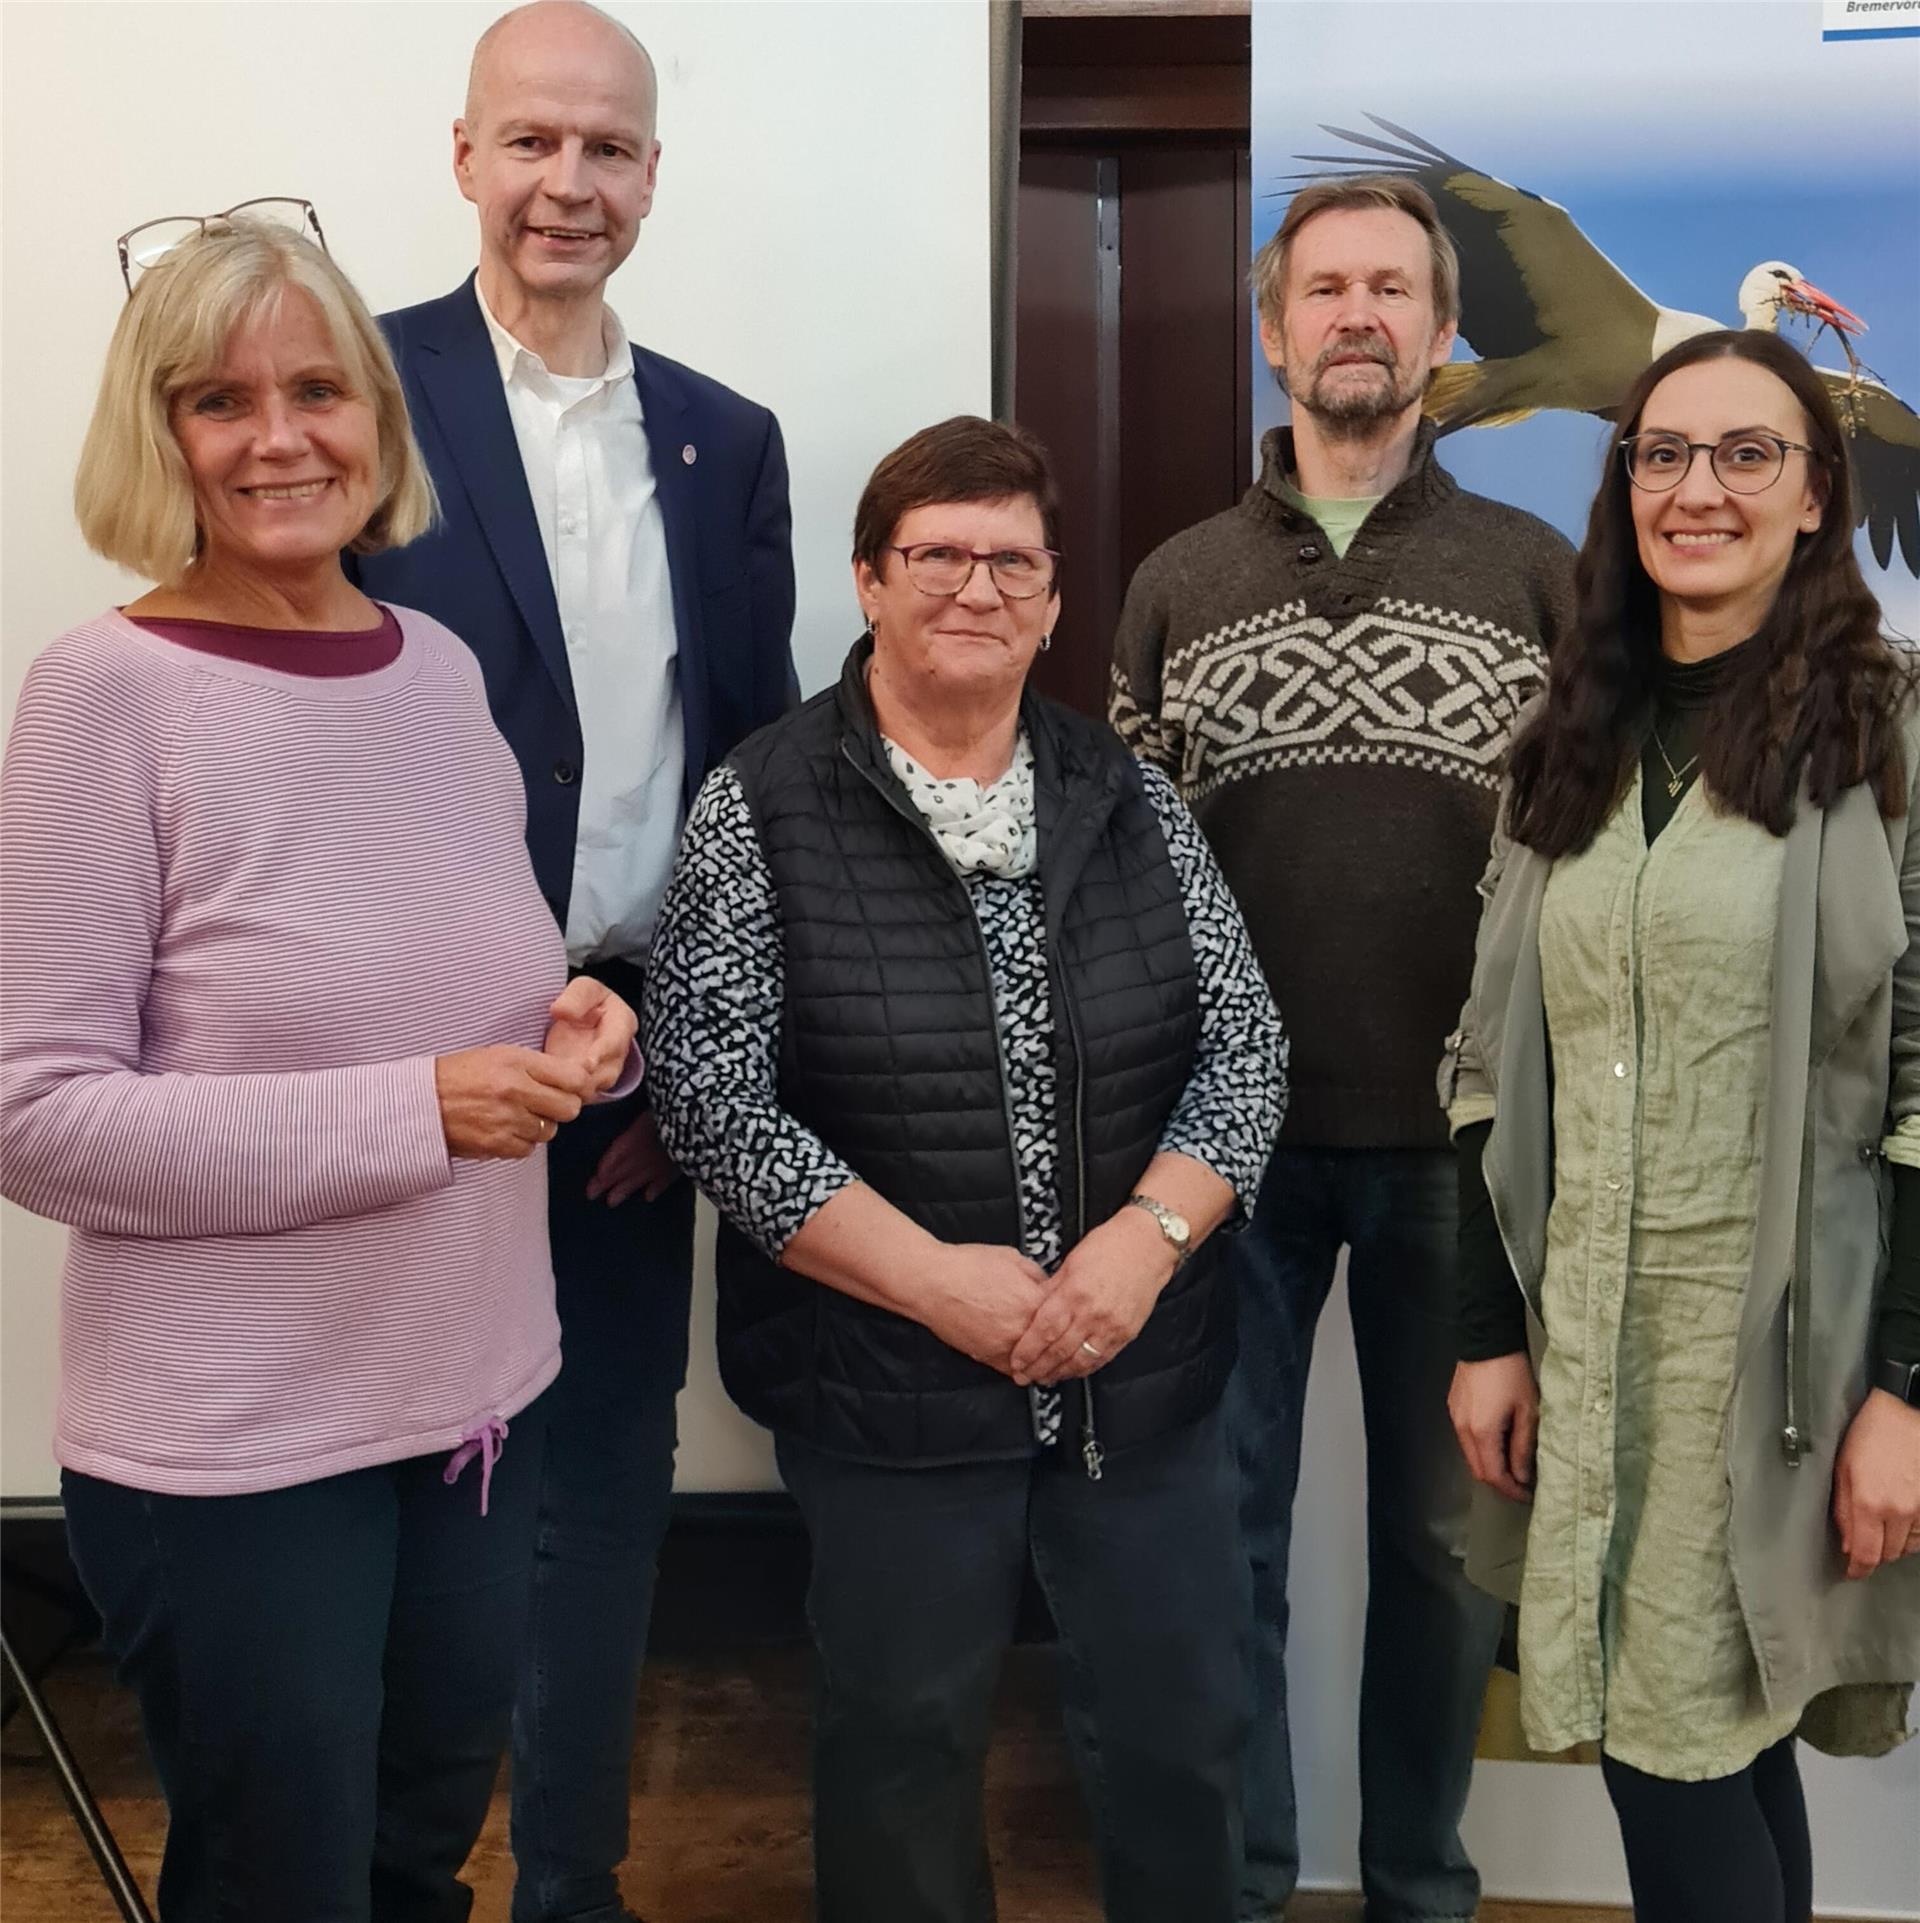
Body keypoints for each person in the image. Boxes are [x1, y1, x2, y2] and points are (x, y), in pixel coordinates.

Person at [0, 214, 637, 1921]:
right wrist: (417, 1110)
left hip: (474, 1409)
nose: (280, 438)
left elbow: (450, 972)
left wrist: (569, 1018)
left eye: (317, 390)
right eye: (220, 401)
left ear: (380, 413)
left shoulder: (432, 673)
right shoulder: (100, 698)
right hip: (235, 1449)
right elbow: (40, 1120)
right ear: (164, 439)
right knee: (280, 1890)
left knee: (416, 1864)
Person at [640, 416, 1286, 1923]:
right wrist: (940, 1287)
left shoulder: (1126, 791)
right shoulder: (763, 802)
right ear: (868, 579)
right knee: (902, 1749)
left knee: (1185, 1739)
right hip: (891, 1380)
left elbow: (1246, 1047)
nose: (977, 587)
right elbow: (714, 1102)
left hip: (1139, 1366)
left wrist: (1141, 1246)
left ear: (1058, 600)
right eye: (937, 553)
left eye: (1014, 560)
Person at [347, 7, 797, 1918]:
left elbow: (751, 773)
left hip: (625, 1063)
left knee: (600, 1484)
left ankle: (573, 1885)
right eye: (533, 143)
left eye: (606, 150)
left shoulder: (726, 436)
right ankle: (392, 1879)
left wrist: (689, 1067)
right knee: (395, 1492)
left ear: (650, 179)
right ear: (463, 158)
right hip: (399, 1071)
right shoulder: (350, 397)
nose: (569, 184)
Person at [1109, 174, 1574, 1923]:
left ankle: (1421, 1891)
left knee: (1450, 1562)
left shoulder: (1539, 573)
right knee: (1223, 1549)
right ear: (1275, 325)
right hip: (1225, 1154)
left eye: (1395, 287)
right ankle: (1238, 1887)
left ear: (1445, 336)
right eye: (1328, 288)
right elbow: (1126, 887)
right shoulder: (1176, 582)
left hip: (1466, 1151)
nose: (1359, 314)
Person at [1444, 328, 1920, 1923]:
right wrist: (1490, 1328)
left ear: (1813, 500)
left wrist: (1908, 1395)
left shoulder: (1888, 737)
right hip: (1591, 1347)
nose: (1696, 489)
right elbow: (1492, 1058)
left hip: (1788, 1356)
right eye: (1663, 454)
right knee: (1701, 1739)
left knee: (1690, 1741)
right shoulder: (1564, 739)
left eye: (1746, 455)